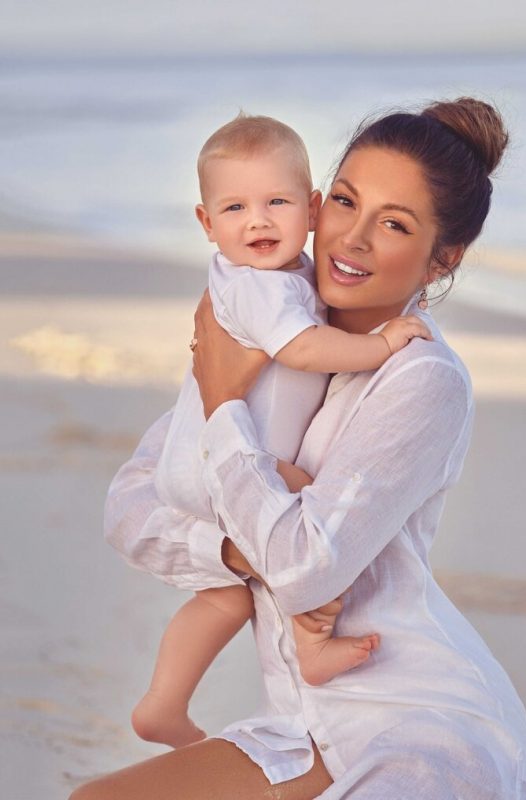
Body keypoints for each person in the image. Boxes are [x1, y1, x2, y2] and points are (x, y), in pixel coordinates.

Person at [72, 98, 526, 799]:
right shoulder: (268, 318)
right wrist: (236, 552)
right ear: (317, 204)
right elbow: (133, 505)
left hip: (416, 726)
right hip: (308, 724)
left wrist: (225, 403)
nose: (352, 239)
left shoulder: (421, 377)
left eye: (393, 224)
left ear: (442, 259)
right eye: (346, 203)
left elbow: (303, 570)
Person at [132, 114, 430, 750]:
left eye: (277, 203)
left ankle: (163, 702)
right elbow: (301, 349)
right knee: (313, 510)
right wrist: (380, 346)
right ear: (206, 223)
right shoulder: (257, 287)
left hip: (203, 456)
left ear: (312, 209)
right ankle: (311, 644)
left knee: (227, 598)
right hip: (228, 453)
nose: (257, 222)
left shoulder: (283, 276)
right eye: (234, 208)